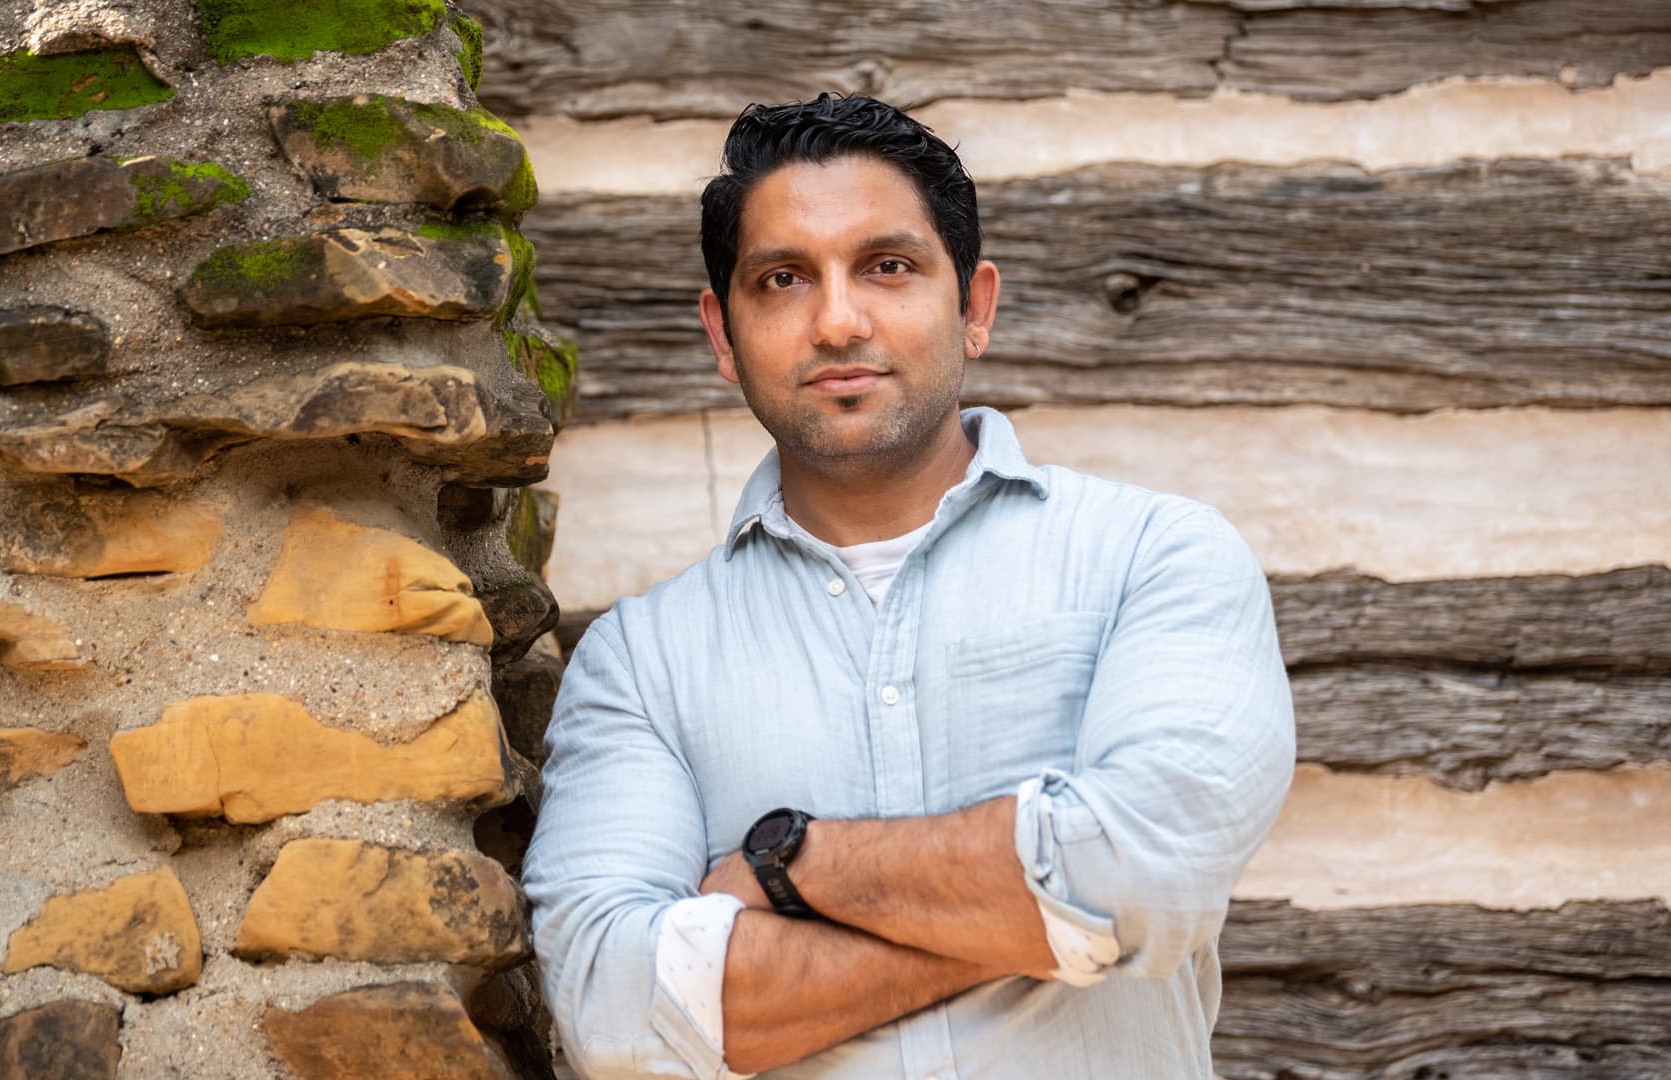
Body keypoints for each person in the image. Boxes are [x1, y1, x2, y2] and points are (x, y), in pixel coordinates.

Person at [522, 93, 1296, 1079]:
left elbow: (1147, 875)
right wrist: (1040, 910)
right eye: (783, 278)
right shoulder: (639, 664)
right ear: (723, 335)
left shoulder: (1152, 558)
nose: (838, 321)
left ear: (972, 307)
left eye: (887, 266)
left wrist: (788, 862)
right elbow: (612, 1014)